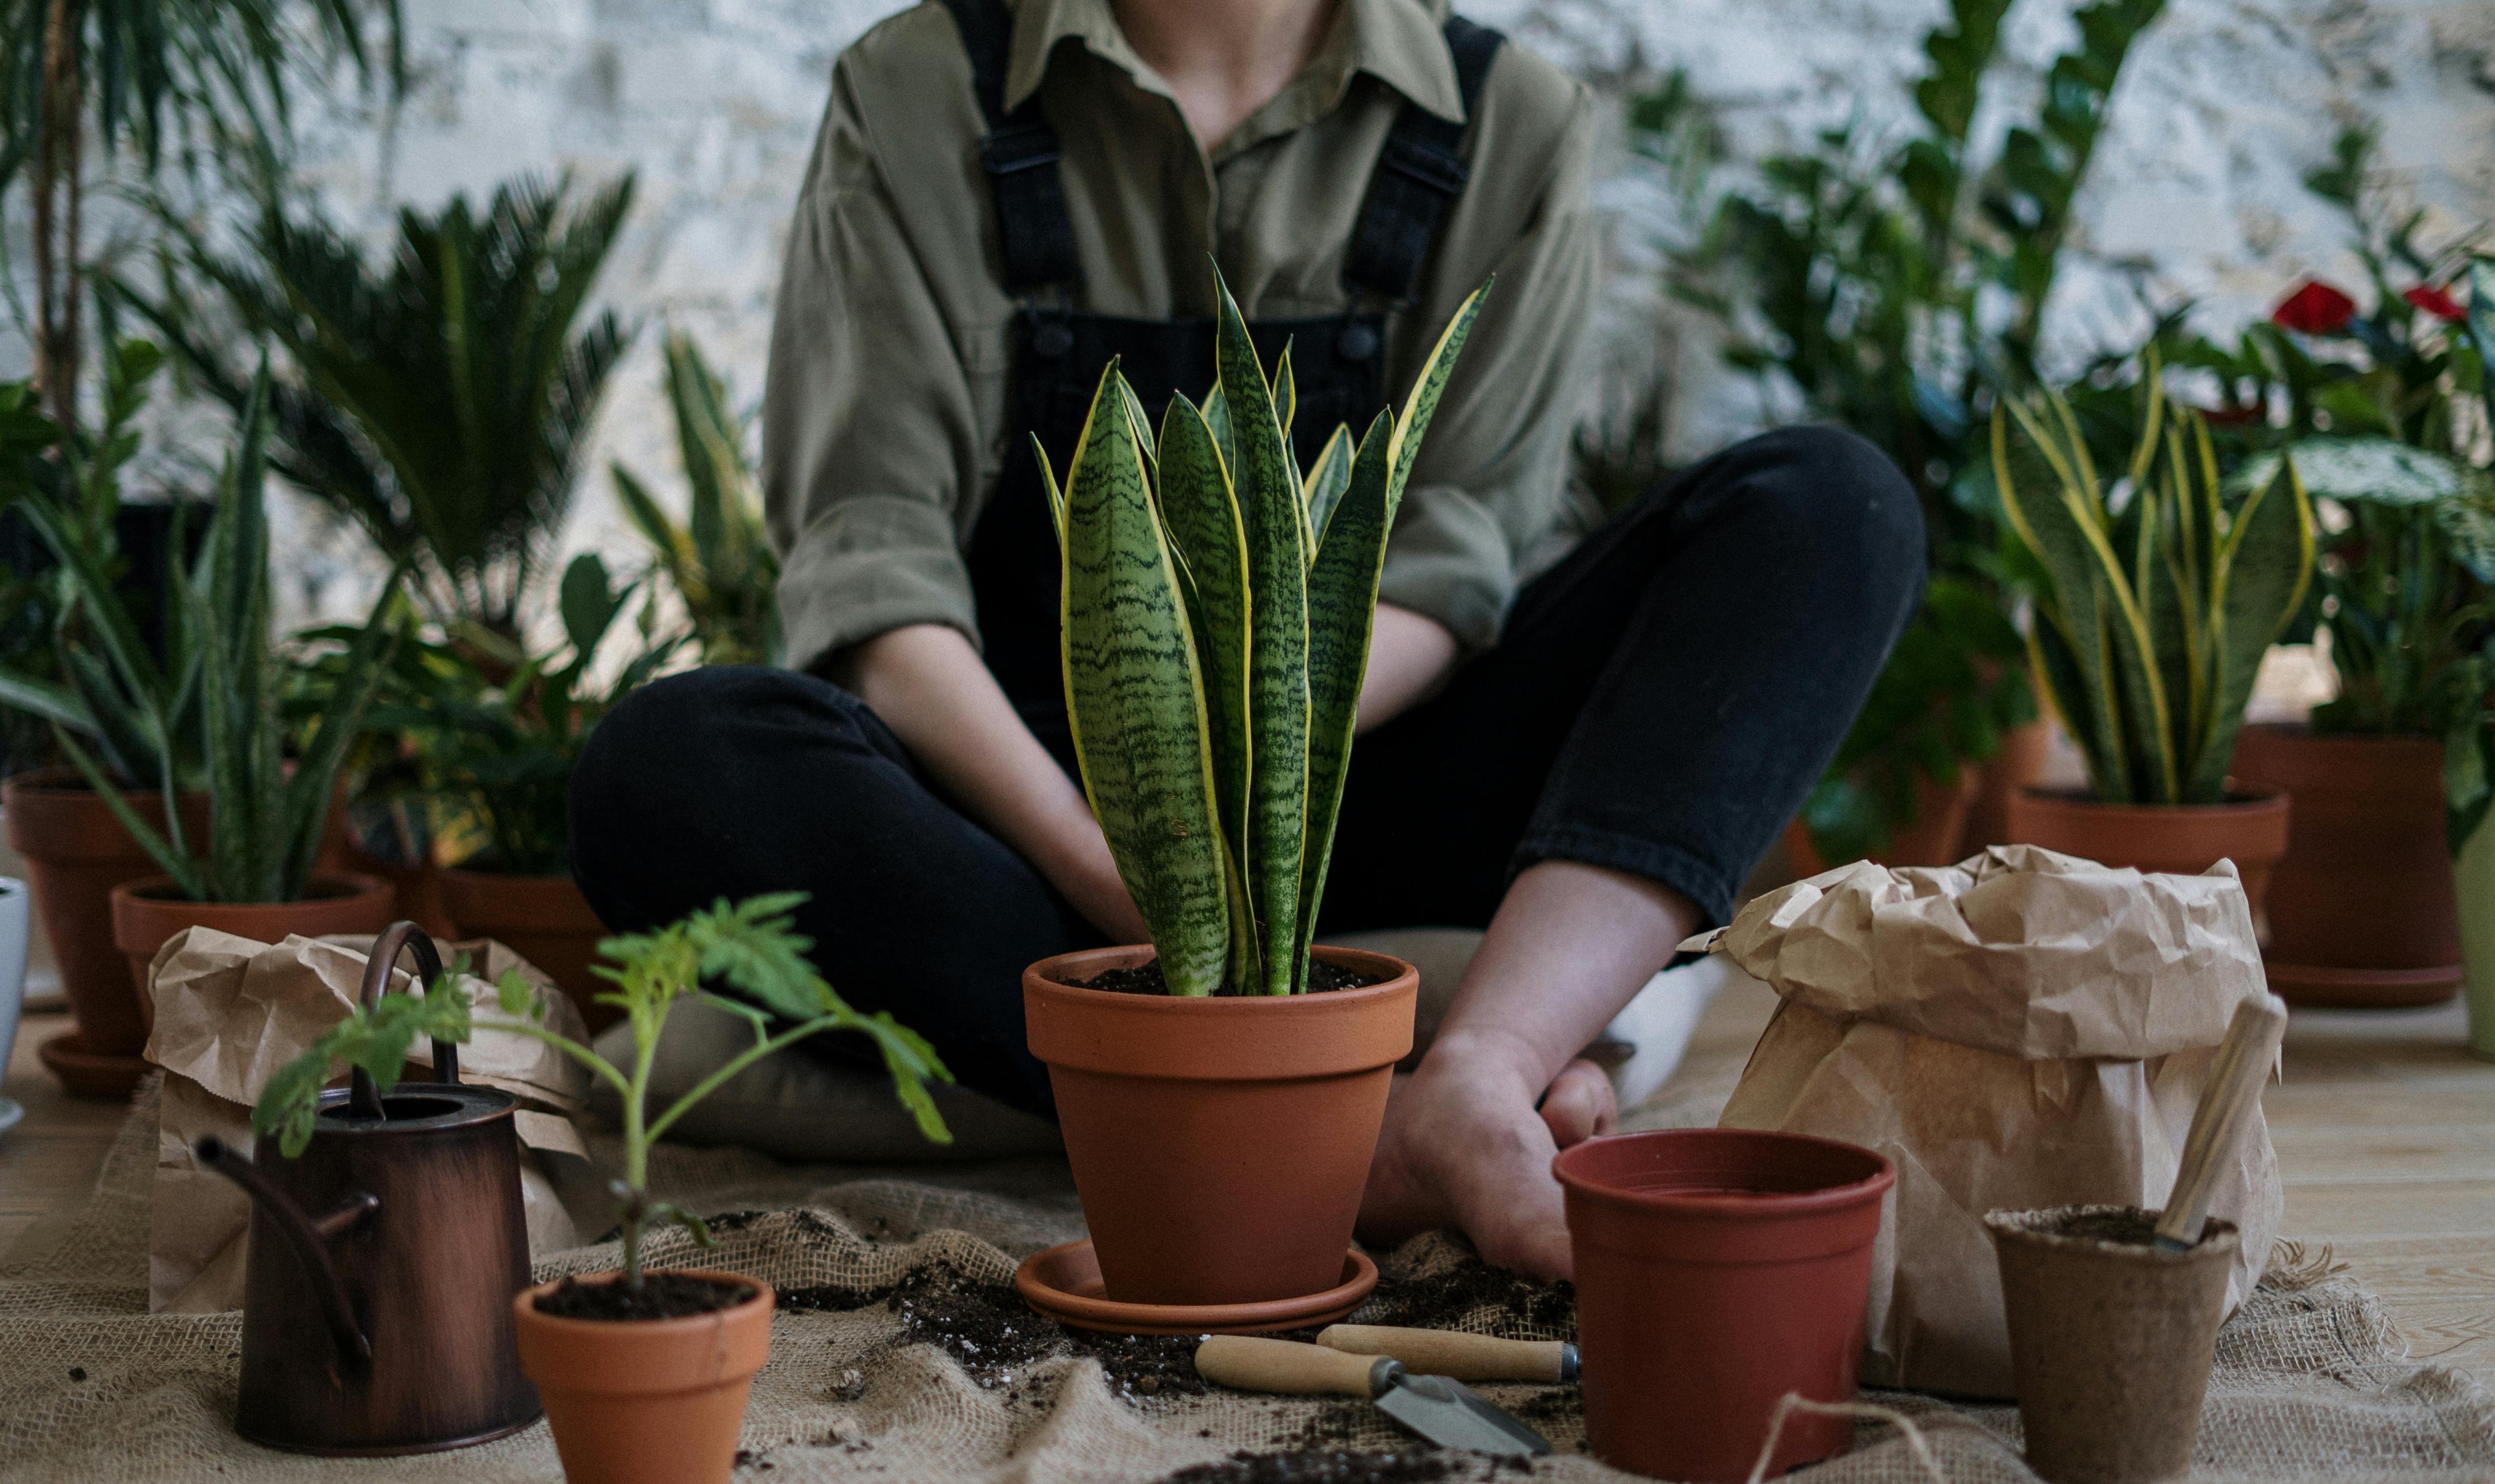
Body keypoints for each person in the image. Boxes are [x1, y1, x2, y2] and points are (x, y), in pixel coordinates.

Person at [571, 0, 1924, 1282]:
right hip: (1030, 833)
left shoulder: (1505, 117)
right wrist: (1129, 869)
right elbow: (876, 573)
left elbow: (1452, 567)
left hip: (1362, 779)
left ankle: (1474, 1073)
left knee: (1830, 507)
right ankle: (1328, 1123)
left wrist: (1260, 802)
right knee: (671, 761)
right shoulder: (919, 90)